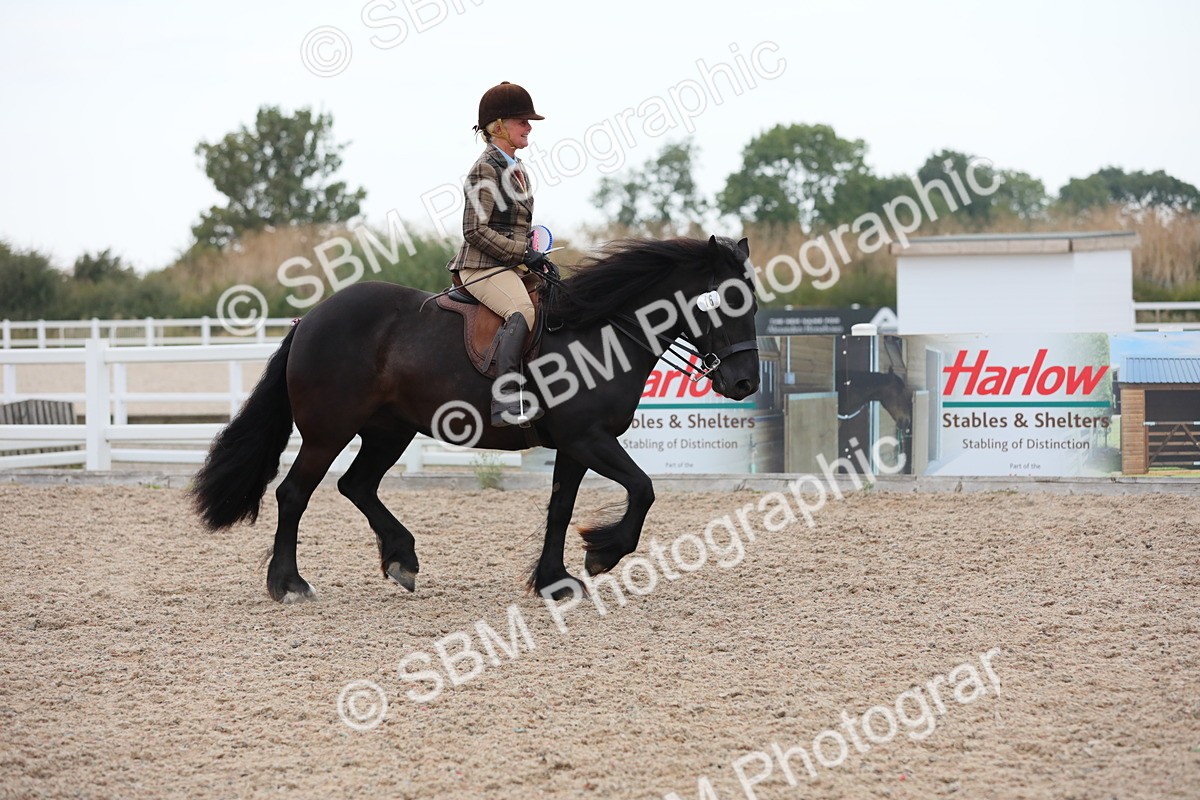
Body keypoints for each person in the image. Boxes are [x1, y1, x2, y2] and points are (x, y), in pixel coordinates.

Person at [446, 81, 551, 427]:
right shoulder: (485, 168)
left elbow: (514, 225)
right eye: (522, 121)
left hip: (509, 265)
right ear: (500, 126)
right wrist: (522, 251)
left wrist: (535, 251)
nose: (529, 127)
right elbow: (474, 229)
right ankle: (505, 399)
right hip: (481, 267)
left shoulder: (516, 169)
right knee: (520, 310)